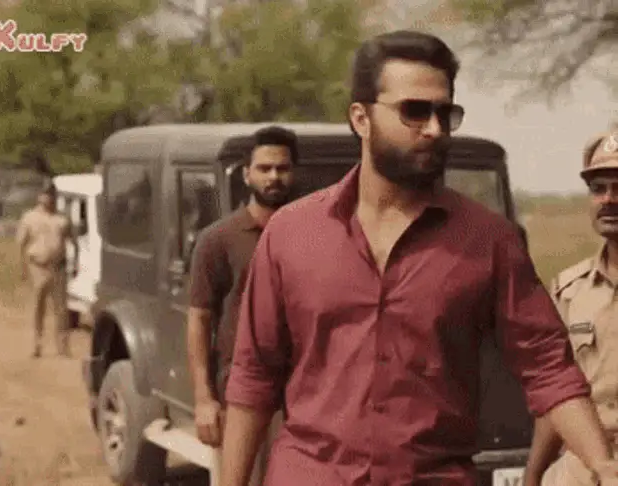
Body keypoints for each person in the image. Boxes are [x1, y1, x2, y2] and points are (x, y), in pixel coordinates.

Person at [219, 30, 618, 486]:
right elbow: (254, 377)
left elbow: (548, 367)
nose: (434, 129)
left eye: (445, 113)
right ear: (361, 118)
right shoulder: (291, 234)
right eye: (414, 111)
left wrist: (603, 465)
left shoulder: (489, 241)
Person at [187, 126, 297, 483]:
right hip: (239, 395)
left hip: (300, 395)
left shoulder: (309, 236)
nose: (274, 176)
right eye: (264, 168)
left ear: (295, 173)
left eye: (282, 168)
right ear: (247, 174)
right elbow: (199, 320)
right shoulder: (218, 240)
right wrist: (204, 399)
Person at [524, 130, 618, 486]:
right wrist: (533, 475)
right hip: (581, 473)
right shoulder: (570, 290)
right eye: (598, 189)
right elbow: (558, 392)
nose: (609, 199)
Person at [17, 181, 77, 358]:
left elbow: (74, 243)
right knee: (37, 308)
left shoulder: (62, 219)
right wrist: (22, 268)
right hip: (38, 267)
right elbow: (21, 245)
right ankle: (35, 345)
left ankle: (63, 347)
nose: (48, 198)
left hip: (58, 268)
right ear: (39, 196)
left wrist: (75, 264)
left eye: (51, 195)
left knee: (61, 310)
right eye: (45, 194)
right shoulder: (29, 217)